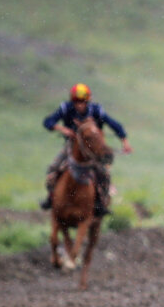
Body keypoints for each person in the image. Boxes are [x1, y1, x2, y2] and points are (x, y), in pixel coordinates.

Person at [40, 83, 133, 217]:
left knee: (104, 174)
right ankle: (50, 198)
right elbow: (48, 121)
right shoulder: (66, 109)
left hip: (93, 150)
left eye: (83, 102)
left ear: (87, 101)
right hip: (72, 146)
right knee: (53, 168)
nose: (80, 105)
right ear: (73, 101)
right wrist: (62, 129)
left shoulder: (96, 111)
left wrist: (125, 141)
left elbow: (114, 124)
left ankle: (101, 202)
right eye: (77, 102)